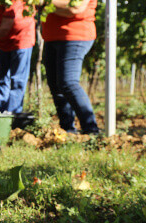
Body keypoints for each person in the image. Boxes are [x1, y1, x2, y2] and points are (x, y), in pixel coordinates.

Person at [42, 0, 100, 134]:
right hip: (51, 36)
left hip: (75, 34)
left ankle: (91, 130)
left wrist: (46, 3)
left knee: (68, 83)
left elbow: (75, 8)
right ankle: (67, 129)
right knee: (55, 85)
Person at [0, 0, 35, 115]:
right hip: (2, 42)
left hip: (22, 41)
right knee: (1, 79)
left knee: (18, 80)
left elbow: (7, 26)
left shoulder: (17, 2)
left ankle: (12, 115)